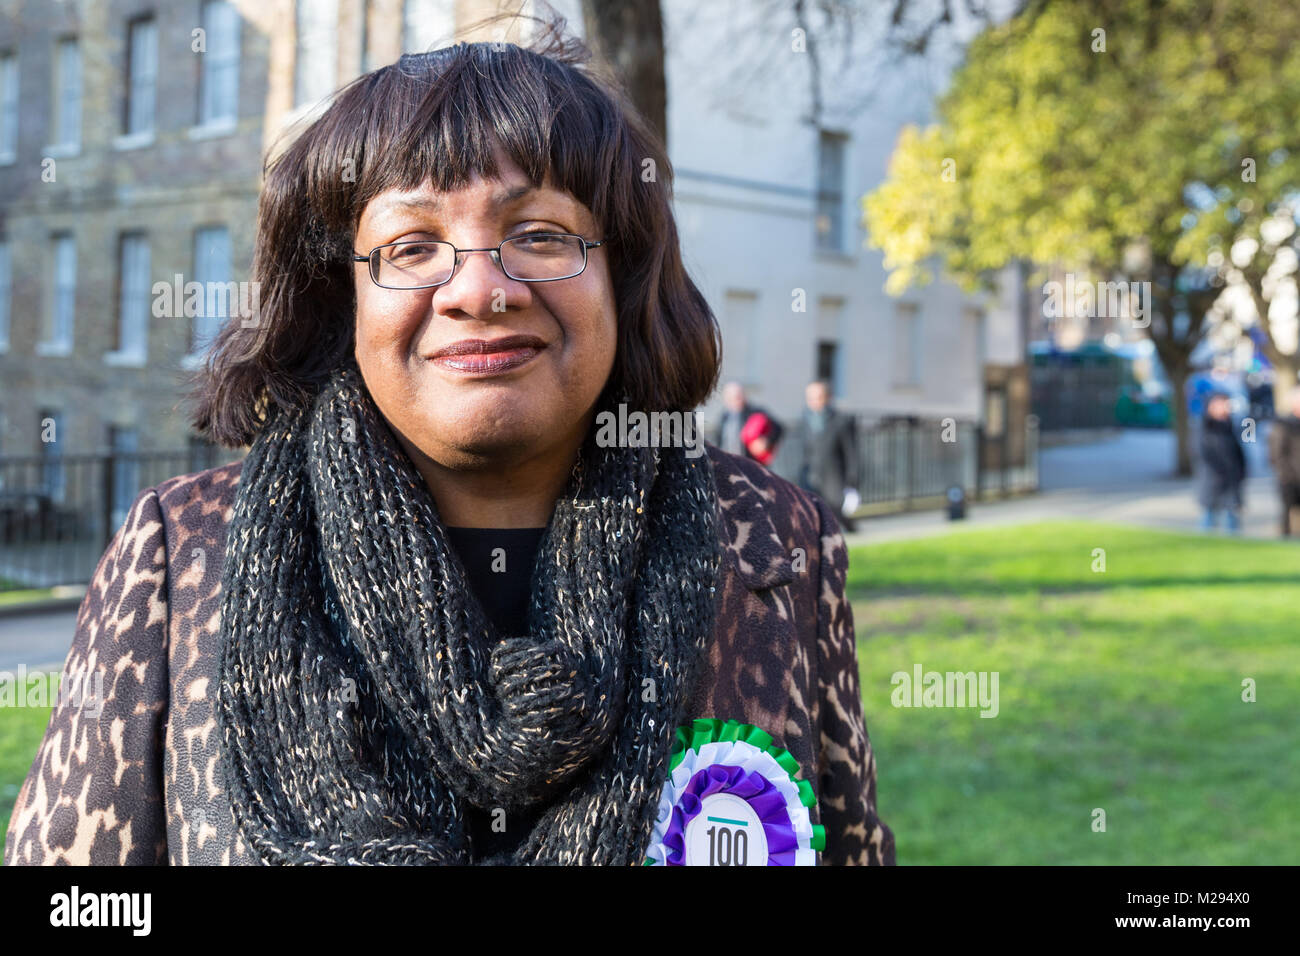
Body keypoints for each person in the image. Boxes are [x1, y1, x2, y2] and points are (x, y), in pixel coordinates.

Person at [4, 31, 893, 867]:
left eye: (539, 235)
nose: (479, 288)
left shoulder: (775, 545)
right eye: (412, 245)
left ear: (621, 275)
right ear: (338, 296)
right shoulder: (184, 554)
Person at [785, 380, 861, 533]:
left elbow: (852, 454)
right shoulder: (804, 420)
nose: (814, 401)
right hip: (810, 476)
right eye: (810, 398)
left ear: (828, 397)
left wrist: (852, 485)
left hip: (834, 479)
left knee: (837, 517)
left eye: (818, 397)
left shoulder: (841, 421)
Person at [1198, 390, 1246, 532]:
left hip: (1231, 481)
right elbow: (1202, 453)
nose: (1226, 408)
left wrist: (1241, 472)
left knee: (1232, 520)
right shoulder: (1204, 427)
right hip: (1213, 481)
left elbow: (1238, 453)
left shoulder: (1230, 426)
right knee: (1209, 518)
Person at [706, 381, 784, 465]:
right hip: (730, 462)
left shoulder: (755, 412)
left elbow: (778, 428)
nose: (736, 400)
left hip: (752, 463)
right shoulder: (724, 417)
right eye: (732, 398)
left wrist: (766, 441)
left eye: (738, 396)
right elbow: (719, 439)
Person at [1268, 387, 1300, 537]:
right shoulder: (1283, 424)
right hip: (1290, 478)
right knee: (1286, 514)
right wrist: (1286, 475)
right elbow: (1276, 453)